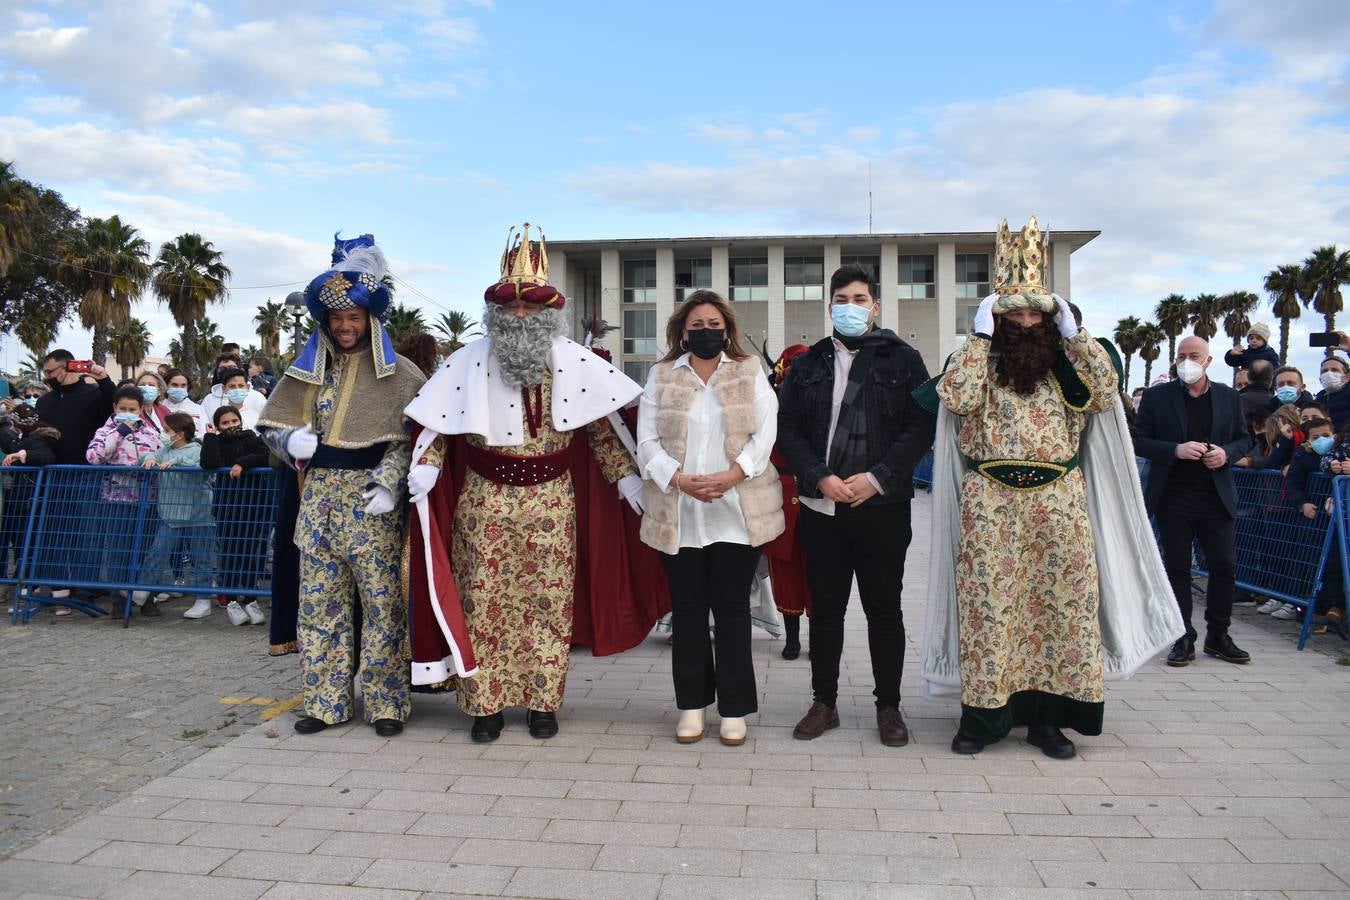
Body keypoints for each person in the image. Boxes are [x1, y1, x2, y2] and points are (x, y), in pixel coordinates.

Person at [923, 217, 1181, 759]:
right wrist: (977, 338)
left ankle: (1049, 721)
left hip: (1058, 501)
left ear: (1049, 318)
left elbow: (1106, 394)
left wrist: (1075, 335)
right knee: (989, 608)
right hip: (989, 501)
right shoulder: (976, 362)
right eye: (1011, 311)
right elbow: (957, 399)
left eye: (1033, 312)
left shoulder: (1068, 366)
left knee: (1059, 609)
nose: (1022, 320)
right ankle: (984, 718)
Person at [404, 223, 662, 743]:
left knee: (548, 600)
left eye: (531, 309)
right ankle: (485, 706)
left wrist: (626, 480)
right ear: (495, 315)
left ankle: (544, 702)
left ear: (549, 314)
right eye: (511, 309)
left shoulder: (577, 362)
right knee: (483, 601)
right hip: (485, 500)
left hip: (551, 502)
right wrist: (426, 462)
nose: (520, 317)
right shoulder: (466, 361)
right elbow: (440, 425)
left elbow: (602, 431)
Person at [259, 234, 426, 737]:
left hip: (372, 506)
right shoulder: (306, 372)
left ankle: (386, 703)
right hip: (318, 505)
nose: (345, 326)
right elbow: (270, 426)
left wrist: (390, 483)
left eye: (354, 317)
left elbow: (415, 440)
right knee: (319, 606)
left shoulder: (403, 375)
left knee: (382, 606)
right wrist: (291, 442)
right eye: (337, 318)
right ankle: (326, 701)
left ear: (371, 320)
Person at [776, 264, 936, 748]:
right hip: (823, 508)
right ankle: (824, 702)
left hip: (882, 508)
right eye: (842, 299)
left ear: (876, 306)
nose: (851, 307)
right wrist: (819, 477)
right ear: (830, 307)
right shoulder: (807, 364)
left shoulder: (905, 360)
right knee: (825, 609)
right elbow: (789, 429)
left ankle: (889, 706)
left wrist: (877, 478)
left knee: (884, 609)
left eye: (860, 299)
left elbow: (921, 426)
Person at [636, 291, 783, 746]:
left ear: (727, 329)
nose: (706, 331)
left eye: (714, 324)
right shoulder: (661, 375)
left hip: (735, 512)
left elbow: (766, 430)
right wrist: (678, 479)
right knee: (689, 613)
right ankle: (692, 707)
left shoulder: (748, 371)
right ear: (683, 332)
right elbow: (645, 442)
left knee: (734, 610)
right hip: (678, 512)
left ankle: (735, 709)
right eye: (697, 324)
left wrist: (733, 474)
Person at [1134, 335, 1253, 666]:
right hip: (1174, 494)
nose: (1187, 360)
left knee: (1224, 567)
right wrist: (1175, 450)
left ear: (1208, 361)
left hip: (1216, 495)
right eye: (1182, 355)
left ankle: (1219, 635)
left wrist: (1225, 454)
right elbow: (1139, 439)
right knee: (1177, 569)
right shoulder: (1158, 397)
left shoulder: (1229, 397)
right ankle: (1182, 636)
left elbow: (1245, 439)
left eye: (1194, 355)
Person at [86, 385, 163, 619]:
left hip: (147, 501)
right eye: (123, 409)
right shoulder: (104, 432)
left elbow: (161, 455)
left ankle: (146, 598)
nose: (128, 413)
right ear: (115, 408)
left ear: (141, 410)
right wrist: (119, 431)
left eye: (133, 409)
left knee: (145, 552)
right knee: (119, 552)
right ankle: (119, 601)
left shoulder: (151, 433)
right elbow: (94, 457)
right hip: (117, 500)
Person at [763, 344, 813, 660]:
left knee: (820, 572)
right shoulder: (768, 408)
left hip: (816, 492)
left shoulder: (825, 406)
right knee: (786, 570)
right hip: (778, 494)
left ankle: (818, 639)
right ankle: (792, 639)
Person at [200, 406, 271, 624]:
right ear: (219, 425)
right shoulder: (217, 441)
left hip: (254, 507)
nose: (231, 425)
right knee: (230, 555)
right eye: (225, 423)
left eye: (234, 421)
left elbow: (266, 455)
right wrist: (210, 437)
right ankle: (231, 600)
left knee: (251, 555)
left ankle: (250, 599)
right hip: (228, 509)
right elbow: (210, 463)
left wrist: (243, 463)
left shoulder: (251, 438)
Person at [138, 412, 214, 607]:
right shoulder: (165, 450)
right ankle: (143, 589)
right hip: (170, 514)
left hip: (198, 515)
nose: (163, 434)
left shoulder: (197, 449)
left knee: (201, 558)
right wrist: (148, 458)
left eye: (166, 431)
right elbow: (150, 455)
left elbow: (202, 469)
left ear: (179, 434)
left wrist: (179, 462)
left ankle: (203, 599)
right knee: (157, 552)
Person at [0, 404, 60, 578]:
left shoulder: (34, 441)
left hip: (25, 500)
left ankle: (24, 580)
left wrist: (22, 454)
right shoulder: (23, 438)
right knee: (18, 540)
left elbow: (46, 457)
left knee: (23, 542)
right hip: (19, 499)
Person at [35, 350, 115, 465]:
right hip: (50, 471)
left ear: (66, 367)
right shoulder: (43, 401)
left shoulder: (94, 394)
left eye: (50, 372)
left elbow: (112, 408)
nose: (47, 377)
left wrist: (104, 380)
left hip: (84, 471)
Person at [162, 368, 208, 435]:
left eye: (183, 385)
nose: (179, 388)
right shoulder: (158, 408)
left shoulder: (198, 409)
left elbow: (205, 433)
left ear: (188, 387)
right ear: (166, 385)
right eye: (174, 385)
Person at [1315, 355, 1350, 430]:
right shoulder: (1318, 400)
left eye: (1334, 370)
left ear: (1347, 377)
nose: (1329, 374)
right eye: (1324, 371)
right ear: (1320, 379)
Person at [135, 371, 174, 437]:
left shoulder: (165, 411)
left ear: (159, 391)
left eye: (151, 385)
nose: (146, 387)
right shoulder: (130, 410)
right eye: (142, 385)